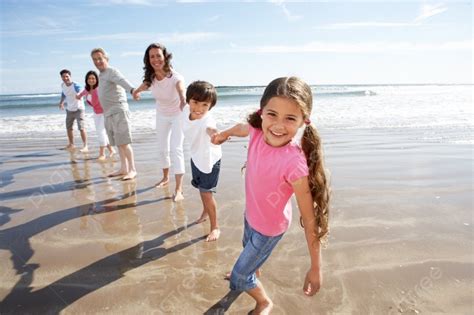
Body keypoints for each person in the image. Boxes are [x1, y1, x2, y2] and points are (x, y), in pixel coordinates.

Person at [211, 77, 331, 314]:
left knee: (238, 277)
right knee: (246, 247)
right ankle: (252, 271)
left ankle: (264, 301)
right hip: (251, 216)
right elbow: (239, 128)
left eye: (290, 118)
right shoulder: (256, 132)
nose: (278, 125)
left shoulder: (294, 164)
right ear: (262, 111)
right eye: (272, 114)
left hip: (269, 229)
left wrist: (316, 267)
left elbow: (309, 219)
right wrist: (222, 135)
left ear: (303, 122)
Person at [133, 43, 186, 201]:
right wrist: (136, 91)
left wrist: (183, 100)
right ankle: (165, 178)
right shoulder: (151, 78)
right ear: (148, 60)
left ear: (165, 57)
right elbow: (146, 85)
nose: (155, 59)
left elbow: (181, 88)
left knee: (176, 149)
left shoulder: (175, 77)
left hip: (178, 114)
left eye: (158, 55)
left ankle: (179, 189)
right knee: (162, 148)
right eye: (152, 56)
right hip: (162, 115)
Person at [181, 81, 221, 242]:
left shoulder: (207, 120)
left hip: (209, 160)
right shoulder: (185, 110)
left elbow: (211, 129)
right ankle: (205, 212)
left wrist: (215, 135)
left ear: (210, 106)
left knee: (206, 193)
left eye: (205, 105)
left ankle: (215, 227)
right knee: (201, 189)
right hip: (196, 156)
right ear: (188, 100)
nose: (199, 108)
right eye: (195, 102)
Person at [90, 48, 137, 180]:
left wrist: (132, 90)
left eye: (100, 58)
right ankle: (123, 168)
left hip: (119, 111)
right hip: (108, 114)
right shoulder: (102, 75)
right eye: (94, 59)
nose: (97, 61)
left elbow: (122, 81)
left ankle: (132, 169)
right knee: (117, 142)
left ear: (106, 59)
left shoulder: (112, 71)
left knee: (125, 142)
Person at [76, 70, 115, 160]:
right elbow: (81, 94)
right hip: (96, 114)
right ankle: (111, 149)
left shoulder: (99, 89)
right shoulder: (87, 90)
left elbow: (108, 95)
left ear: (97, 79)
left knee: (100, 132)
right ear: (86, 80)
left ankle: (102, 153)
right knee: (102, 133)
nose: (91, 80)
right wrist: (78, 96)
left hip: (104, 113)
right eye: (89, 78)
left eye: (93, 78)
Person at [58, 69, 88, 152]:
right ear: (61, 77)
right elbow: (64, 93)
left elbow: (83, 91)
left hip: (79, 109)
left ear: (70, 76)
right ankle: (71, 144)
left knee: (81, 128)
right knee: (69, 128)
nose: (65, 78)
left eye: (67, 76)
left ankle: (85, 146)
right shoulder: (63, 85)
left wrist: (79, 94)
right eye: (63, 77)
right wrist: (61, 102)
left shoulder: (75, 85)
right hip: (69, 110)